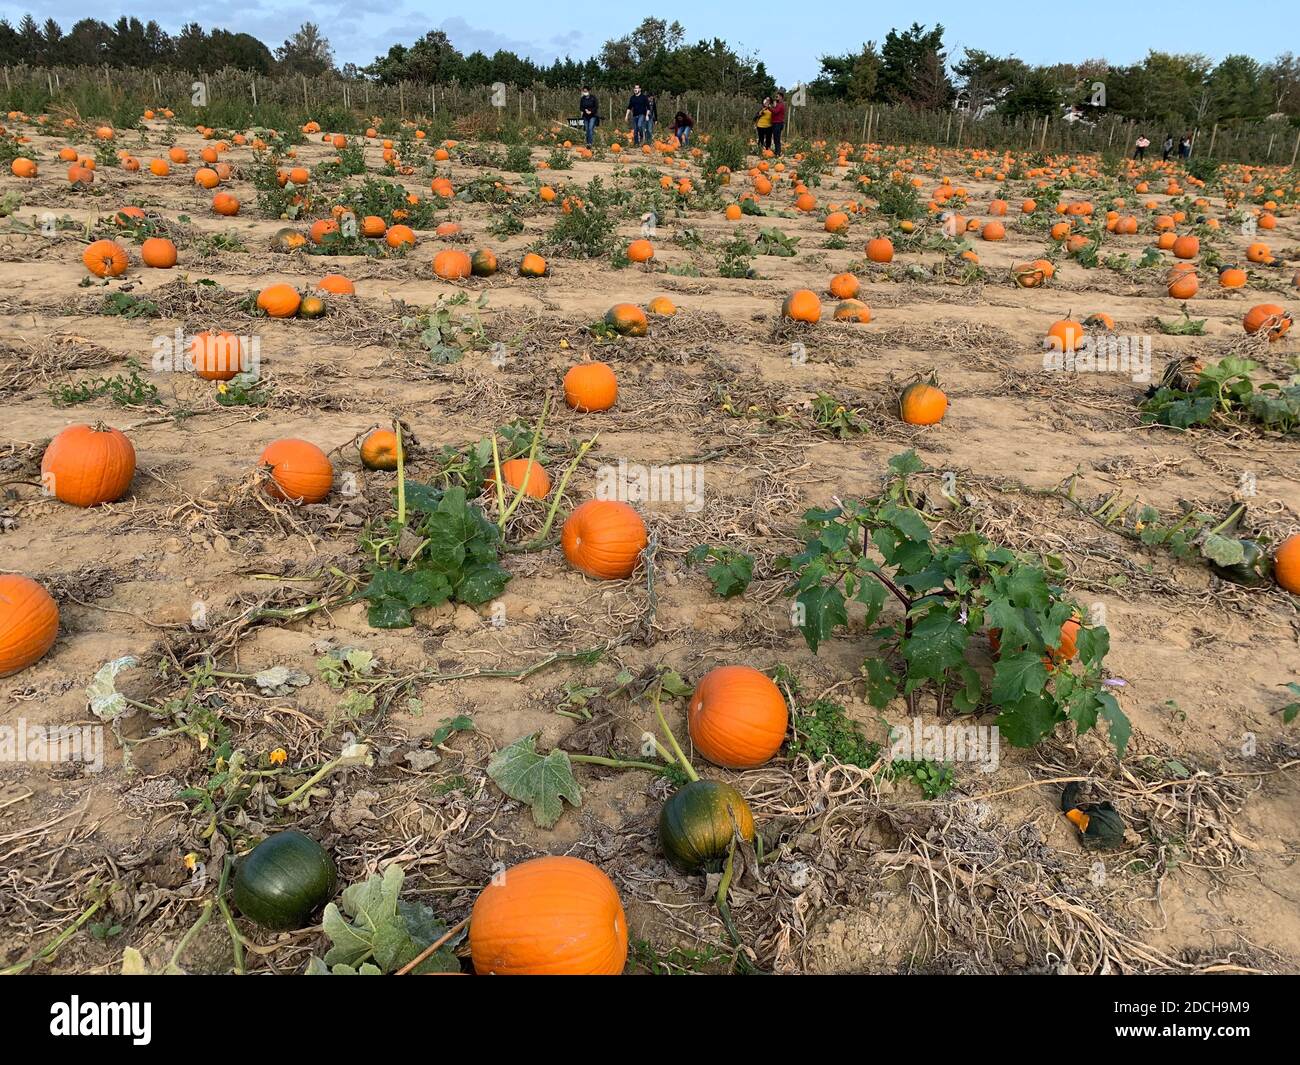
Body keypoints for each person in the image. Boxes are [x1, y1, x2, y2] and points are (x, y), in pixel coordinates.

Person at [769, 92, 786, 156]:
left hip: (778, 124)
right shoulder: (777, 104)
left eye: (777, 97)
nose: (776, 98)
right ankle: (777, 152)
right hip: (776, 123)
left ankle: (778, 152)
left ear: (781, 97)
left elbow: (775, 112)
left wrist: (769, 108)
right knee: (776, 138)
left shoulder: (780, 105)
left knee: (777, 138)